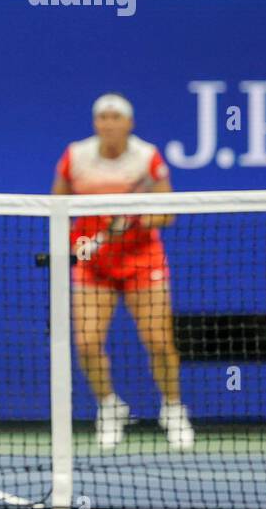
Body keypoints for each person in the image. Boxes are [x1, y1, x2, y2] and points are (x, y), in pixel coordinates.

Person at [52, 93, 195, 450]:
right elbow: (57, 207)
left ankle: (173, 409)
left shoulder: (147, 159)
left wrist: (135, 220)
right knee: (86, 343)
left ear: (129, 123)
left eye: (116, 117)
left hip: (142, 261)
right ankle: (109, 406)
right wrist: (76, 243)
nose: (109, 123)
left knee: (160, 343)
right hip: (93, 263)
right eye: (103, 117)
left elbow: (167, 213)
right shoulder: (76, 157)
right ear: (95, 123)